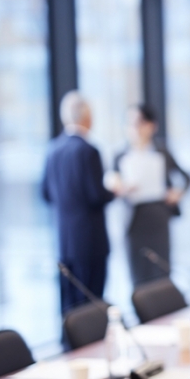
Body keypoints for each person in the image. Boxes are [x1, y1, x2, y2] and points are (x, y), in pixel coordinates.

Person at [42, 91, 116, 316]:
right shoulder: (88, 151)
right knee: (91, 306)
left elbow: (45, 194)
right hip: (90, 242)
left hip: (65, 243)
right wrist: (114, 191)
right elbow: (97, 196)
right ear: (87, 118)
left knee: (69, 308)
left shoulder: (52, 149)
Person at [112, 104, 190, 287]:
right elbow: (112, 185)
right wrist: (121, 189)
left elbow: (186, 178)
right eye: (130, 124)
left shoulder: (161, 151)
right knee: (137, 274)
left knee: (161, 271)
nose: (134, 129)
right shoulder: (120, 155)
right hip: (134, 220)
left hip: (158, 217)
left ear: (151, 125)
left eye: (139, 123)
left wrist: (177, 193)